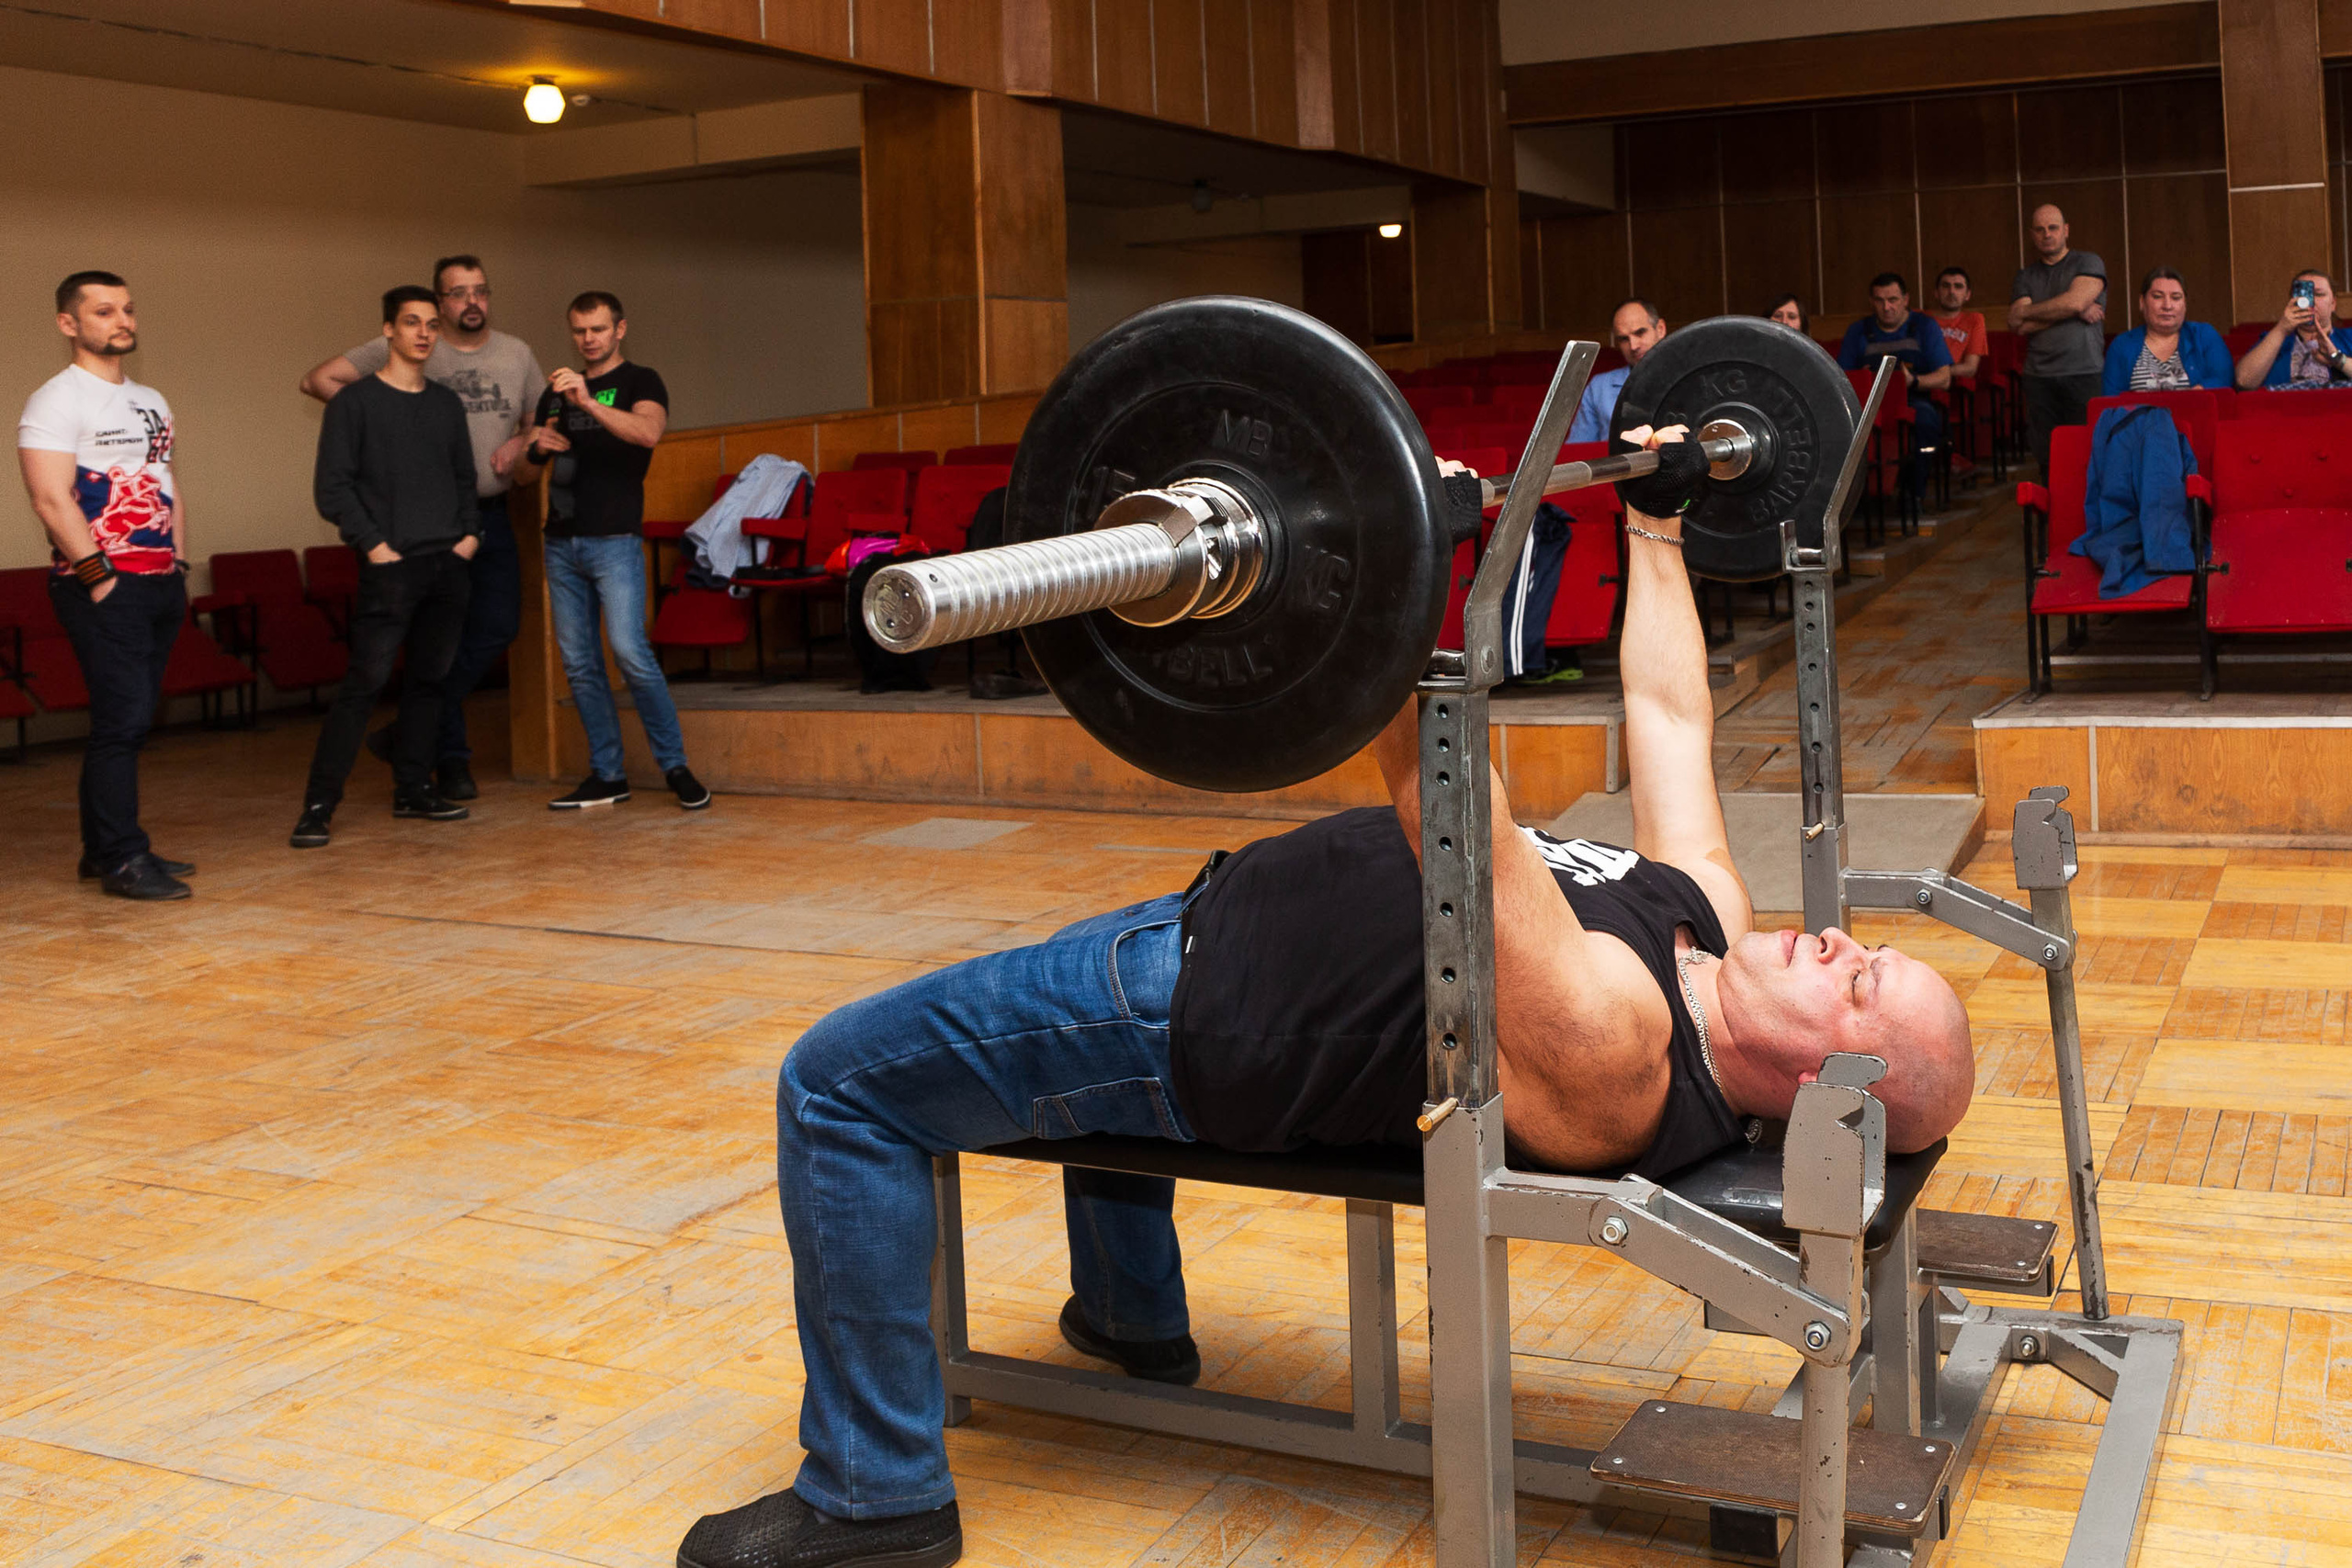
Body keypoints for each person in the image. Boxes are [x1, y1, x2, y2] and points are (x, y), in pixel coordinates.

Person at [674, 427, 1977, 1568]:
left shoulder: (1622, 1041)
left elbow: (1454, 812)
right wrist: (1656, 519)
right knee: (1008, 1051)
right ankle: (1134, 1325)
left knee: (836, 1082)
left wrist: (1390, 567)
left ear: (1827, 1083)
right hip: (1202, 932)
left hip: (1186, 1015)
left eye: (1864, 981)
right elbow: (1669, 711)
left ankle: (872, 1491)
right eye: (1871, 948)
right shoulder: (1706, 930)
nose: (1846, 940)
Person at [300, 255, 541, 800]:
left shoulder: (513, 356)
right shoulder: (390, 370)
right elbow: (318, 383)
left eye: (480, 290)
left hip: (480, 522)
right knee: (401, 666)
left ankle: (413, 740)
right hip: (402, 536)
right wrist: (383, 428)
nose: (469, 302)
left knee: (483, 638)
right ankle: (444, 760)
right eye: (456, 294)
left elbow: (535, 421)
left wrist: (520, 444)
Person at [16, 270, 196, 901]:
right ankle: (123, 859)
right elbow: (48, 498)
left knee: (131, 720)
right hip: (102, 585)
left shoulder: (151, 399)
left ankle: (102, 850)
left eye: (126, 309)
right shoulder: (56, 400)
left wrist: (180, 564)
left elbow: (166, 483)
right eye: (103, 311)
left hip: (159, 583)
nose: (122, 320)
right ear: (69, 324)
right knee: (122, 723)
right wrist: (101, 582)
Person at [289, 286, 480, 850]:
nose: (423, 333)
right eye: (411, 323)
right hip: (390, 568)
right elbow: (333, 488)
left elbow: (465, 480)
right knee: (364, 685)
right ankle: (318, 806)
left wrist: (469, 537)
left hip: (449, 564)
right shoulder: (355, 403)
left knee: (431, 683)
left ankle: (413, 788)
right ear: (388, 332)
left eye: (431, 325)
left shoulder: (446, 403)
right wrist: (373, 545)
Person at [511, 290, 710, 811]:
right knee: (579, 664)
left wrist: (586, 403)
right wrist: (536, 449)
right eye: (579, 331)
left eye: (597, 329)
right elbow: (524, 473)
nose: (588, 340)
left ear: (619, 329)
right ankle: (608, 774)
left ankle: (676, 767)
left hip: (615, 538)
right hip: (561, 540)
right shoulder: (556, 391)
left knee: (630, 653)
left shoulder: (639, 381)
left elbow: (647, 434)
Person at [1499, 298, 1669, 683]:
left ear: (1661, 330)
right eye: (1624, 338)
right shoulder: (1599, 388)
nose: (1633, 344)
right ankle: (1534, 653)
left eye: (1640, 333)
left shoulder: (1685, 378)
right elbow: (1579, 457)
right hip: (1607, 498)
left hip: (1668, 494)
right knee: (1543, 520)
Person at [2007, 205, 2108, 477]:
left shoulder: (2088, 262)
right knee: (2047, 459)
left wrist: (2037, 311)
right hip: (2039, 377)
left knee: (2089, 456)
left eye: (2053, 228)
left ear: (2066, 230)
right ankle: (2052, 518)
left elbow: (2074, 301)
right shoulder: (2025, 276)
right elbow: (2016, 323)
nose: (2047, 234)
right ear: (2032, 235)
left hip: (2084, 372)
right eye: (2040, 230)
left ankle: (2086, 519)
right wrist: (2073, 310)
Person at [1838, 272, 1951, 497]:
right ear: (1872, 302)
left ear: (1906, 299)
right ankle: (1857, 497)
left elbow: (1945, 378)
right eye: (1880, 301)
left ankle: (1914, 493)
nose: (1886, 307)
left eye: (1893, 300)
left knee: (1927, 419)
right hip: (1869, 405)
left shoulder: (1925, 326)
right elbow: (1841, 378)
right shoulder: (1858, 331)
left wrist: (1914, 381)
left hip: (1912, 400)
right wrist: (1861, 378)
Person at [2103, 268, 2233, 393]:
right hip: (2138, 416)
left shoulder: (2204, 335)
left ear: (2185, 304)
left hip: (2194, 414)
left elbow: (2223, 379)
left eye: (2176, 298)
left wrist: (2191, 398)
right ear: (2142, 302)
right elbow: (2110, 400)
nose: (2167, 306)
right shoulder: (2122, 344)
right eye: (2158, 297)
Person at [2233, 267, 2352, 389]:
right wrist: (2281, 329)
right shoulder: (2275, 340)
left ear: (2333, 303)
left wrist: (2337, 358)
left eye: (2319, 294)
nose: (2310, 301)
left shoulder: (2349, 337)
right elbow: (2243, 381)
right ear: (2292, 301)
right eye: (2303, 294)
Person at [1928, 267, 1987, 382]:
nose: (1951, 292)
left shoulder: (1975, 319)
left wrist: (1933, 375)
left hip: (1952, 384)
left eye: (1958, 286)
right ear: (1936, 293)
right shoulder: (1921, 318)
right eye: (1946, 286)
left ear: (1967, 295)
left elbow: (1970, 368)